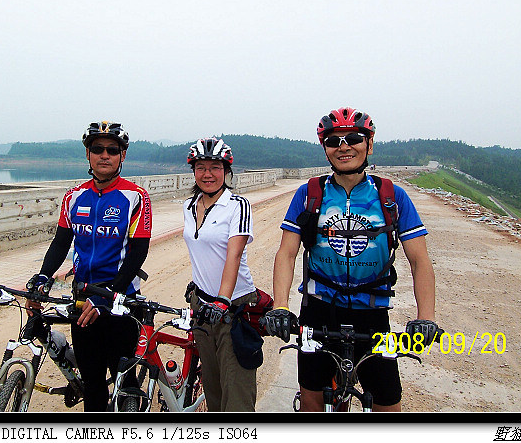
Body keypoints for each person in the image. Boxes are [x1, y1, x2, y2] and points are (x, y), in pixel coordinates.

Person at [263, 107, 438, 412]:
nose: (343, 147)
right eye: (333, 141)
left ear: (369, 144)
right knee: (312, 402)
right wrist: (280, 306)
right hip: (318, 312)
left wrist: (426, 317)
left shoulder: (391, 196)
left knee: (387, 405)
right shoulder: (309, 194)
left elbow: (420, 260)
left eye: (354, 139)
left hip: (373, 315)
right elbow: (287, 253)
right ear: (325, 149)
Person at [25, 121, 152, 412]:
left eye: (112, 150)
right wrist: (43, 276)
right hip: (83, 300)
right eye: (97, 149)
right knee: (93, 383)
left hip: (120, 300)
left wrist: (109, 295)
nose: (104, 155)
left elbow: (138, 252)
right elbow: (61, 243)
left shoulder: (136, 197)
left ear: (122, 155)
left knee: (124, 382)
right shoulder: (73, 196)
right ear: (88, 154)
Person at [182, 137, 258, 412]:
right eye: (201, 167)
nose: (208, 174)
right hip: (202, 306)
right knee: (212, 388)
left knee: (236, 394)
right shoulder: (188, 206)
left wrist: (222, 300)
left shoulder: (237, 205)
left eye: (215, 167)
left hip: (234, 306)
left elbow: (233, 256)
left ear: (226, 171)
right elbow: (201, 252)